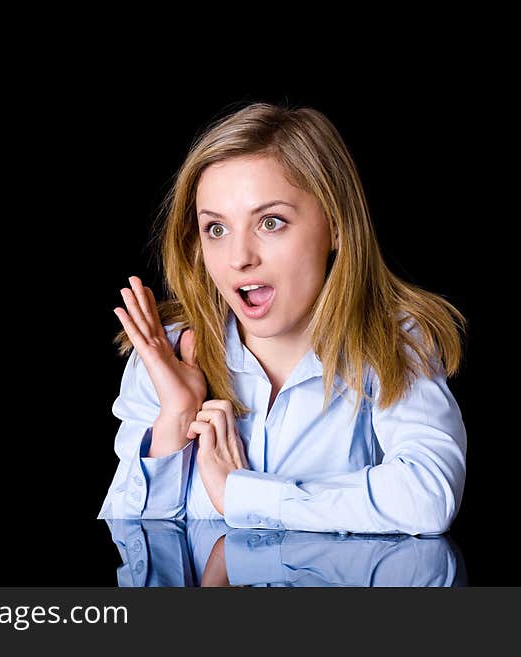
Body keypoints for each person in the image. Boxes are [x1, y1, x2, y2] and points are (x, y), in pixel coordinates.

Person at [99, 102, 467, 535]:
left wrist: (243, 494)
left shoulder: (391, 340)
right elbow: (130, 547)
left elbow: (426, 499)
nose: (239, 258)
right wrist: (175, 419)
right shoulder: (167, 353)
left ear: (336, 226)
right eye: (216, 229)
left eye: (270, 222)